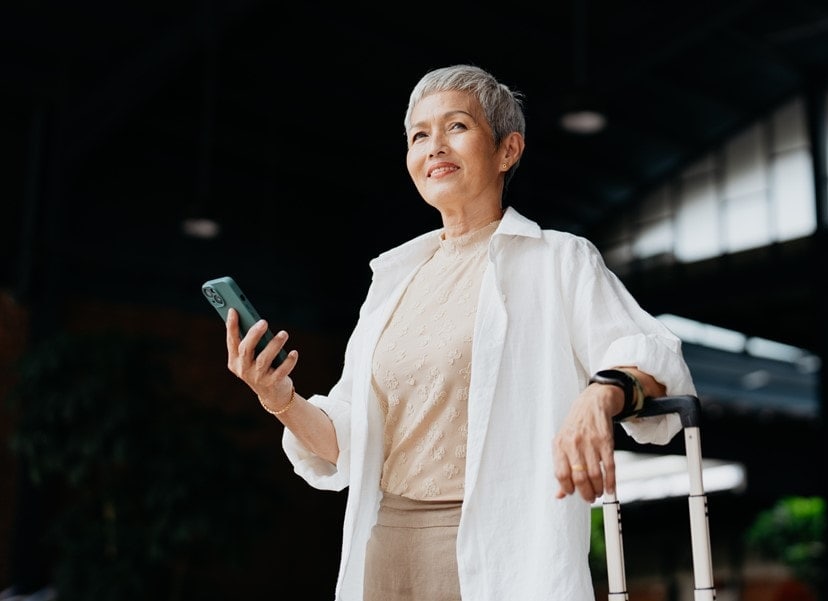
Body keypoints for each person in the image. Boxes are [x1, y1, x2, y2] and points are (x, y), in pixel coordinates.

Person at [222, 64, 696, 601]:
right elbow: (345, 442)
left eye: (456, 127)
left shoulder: (558, 260)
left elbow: (655, 356)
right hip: (389, 550)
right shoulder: (392, 281)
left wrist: (600, 392)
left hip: (503, 555)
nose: (434, 146)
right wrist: (279, 399)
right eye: (419, 135)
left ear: (507, 150)